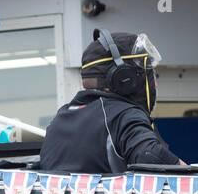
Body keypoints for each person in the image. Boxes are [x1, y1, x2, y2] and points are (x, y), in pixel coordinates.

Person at [37, 29, 182, 174]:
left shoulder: (59, 119)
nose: (155, 84)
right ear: (125, 79)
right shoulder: (123, 116)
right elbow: (151, 155)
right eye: (149, 74)